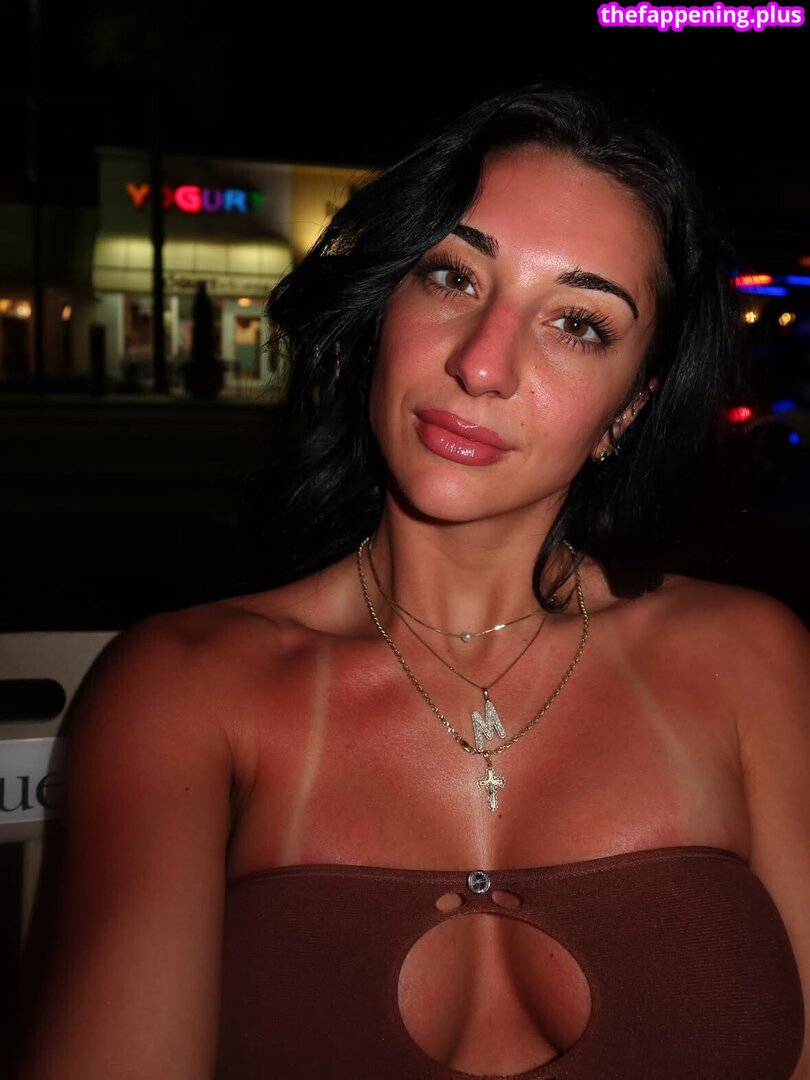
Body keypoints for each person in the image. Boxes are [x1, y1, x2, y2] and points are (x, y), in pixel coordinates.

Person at [21, 81, 809, 1080]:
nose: (482, 365)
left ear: (629, 409)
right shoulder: (183, 689)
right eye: (451, 275)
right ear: (382, 306)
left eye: (577, 323)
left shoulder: (748, 663)